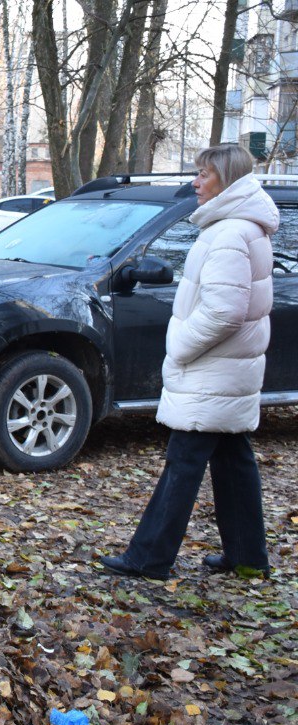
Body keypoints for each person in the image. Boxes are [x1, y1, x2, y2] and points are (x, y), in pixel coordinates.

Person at [100, 143, 275, 580]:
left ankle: (149, 557)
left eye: (204, 174)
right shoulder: (238, 228)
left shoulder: (231, 233)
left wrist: (179, 346)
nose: (195, 182)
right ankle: (249, 558)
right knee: (234, 459)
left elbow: (224, 311)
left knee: (185, 459)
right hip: (226, 368)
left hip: (213, 367)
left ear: (227, 180)